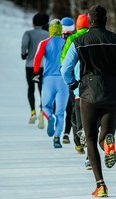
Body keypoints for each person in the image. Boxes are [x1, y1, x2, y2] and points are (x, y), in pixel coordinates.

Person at [61, 4, 116, 197]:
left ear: (89, 20)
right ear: (106, 20)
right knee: (106, 133)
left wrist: (73, 85)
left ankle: (101, 185)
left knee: (90, 138)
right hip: (113, 93)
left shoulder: (79, 41)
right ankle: (108, 143)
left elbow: (65, 69)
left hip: (88, 93)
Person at [60, 14, 90, 164]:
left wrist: (71, 80)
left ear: (77, 25)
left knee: (74, 110)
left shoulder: (73, 39)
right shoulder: (93, 36)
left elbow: (63, 60)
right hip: (94, 83)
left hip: (77, 83)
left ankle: (78, 142)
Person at [34, 19, 68, 148]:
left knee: (46, 107)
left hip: (48, 80)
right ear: (61, 30)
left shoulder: (44, 43)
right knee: (60, 112)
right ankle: (57, 138)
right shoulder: (66, 43)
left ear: (50, 29)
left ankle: (49, 118)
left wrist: (36, 72)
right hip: (62, 81)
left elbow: (37, 59)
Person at [21, 13, 49, 128]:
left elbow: (24, 44)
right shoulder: (47, 34)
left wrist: (24, 54)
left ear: (33, 23)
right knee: (41, 89)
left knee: (31, 88)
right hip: (43, 66)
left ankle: (33, 113)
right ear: (43, 23)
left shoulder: (28, 33)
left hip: (30, 66)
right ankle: (42, 111)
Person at [60, 17, 76, 145]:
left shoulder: (59, 40)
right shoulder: (75, 39)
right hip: (72, 77)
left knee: (63, 107)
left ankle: (63, 131)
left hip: (59, 77)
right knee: (71, 107)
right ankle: (67, 132)